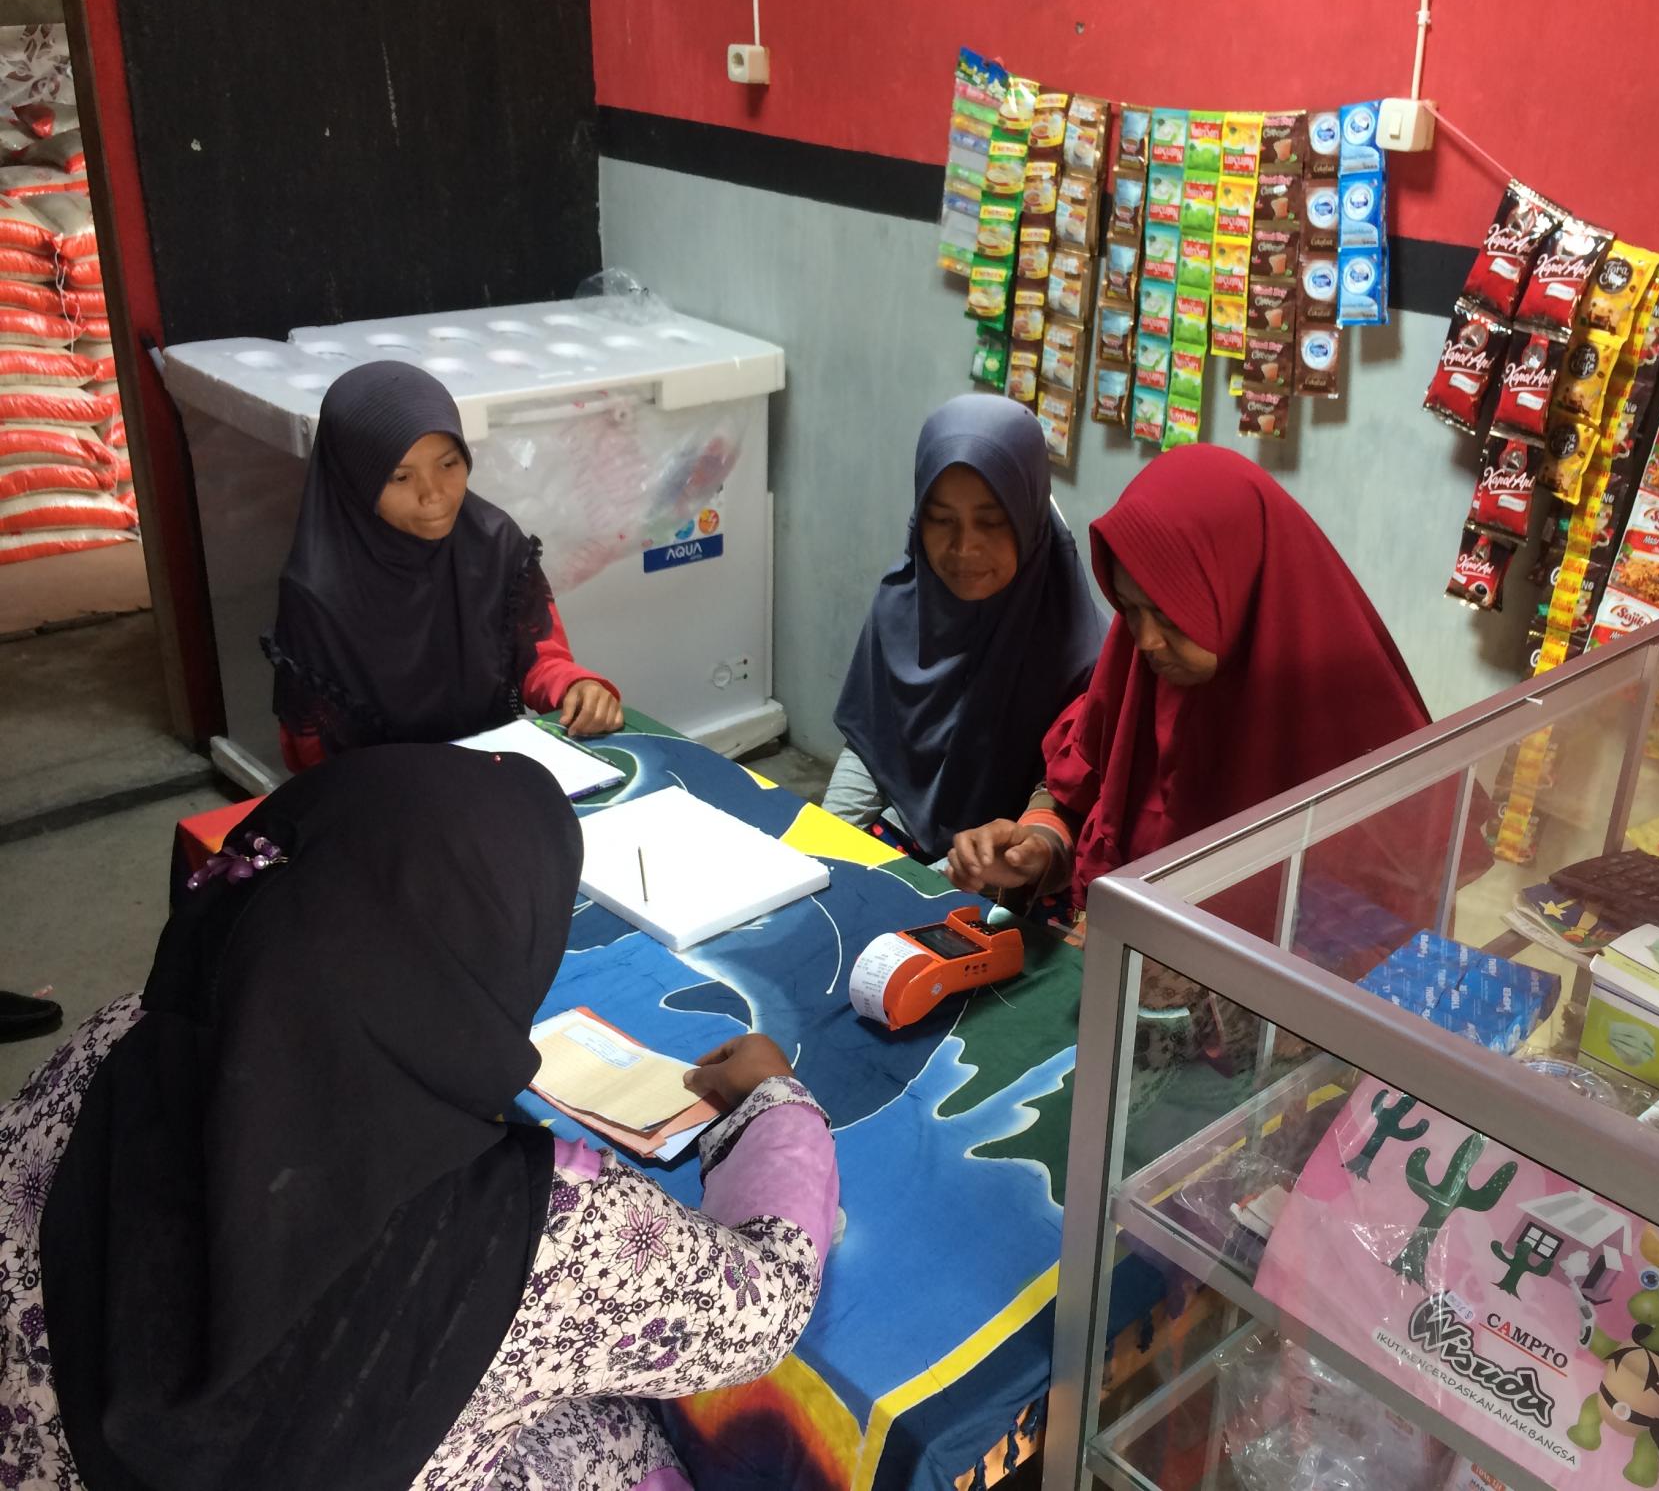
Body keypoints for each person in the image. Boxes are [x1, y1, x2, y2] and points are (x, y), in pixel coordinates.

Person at [3, 744, 836, 1491]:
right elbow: (761, 1310)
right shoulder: (543, 1231)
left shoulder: (116, 1041)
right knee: (616, 1427)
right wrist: (773, 1107)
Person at [946, 444, 1439, 917]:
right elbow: (1077, 790)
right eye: (1130, 610)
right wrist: (1036, 848)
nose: (1146, 641)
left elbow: (1384, 912)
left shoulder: (1344, 709)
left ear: (1239, 591)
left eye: (1169, 615)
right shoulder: (1138, 668)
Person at [263, 361, 623, 772]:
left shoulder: (495, 542)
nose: (433, 494)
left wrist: (577, 687)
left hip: (489, 764)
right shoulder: (316, 590)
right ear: (354, 483)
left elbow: (538, 656)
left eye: (448, 464)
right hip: (378, 791)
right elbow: (310, 751)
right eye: (400, 477)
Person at [825, 394, 1104, 863]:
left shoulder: (1083, 658)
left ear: (1029, 517)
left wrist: (960, 877)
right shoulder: (902, 602)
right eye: (940, 519)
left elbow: (1061, 811)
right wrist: (823, 842)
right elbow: (872, 743)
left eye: (992, 522)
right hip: (903, 823)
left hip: (1011, 871)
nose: (964, 547)